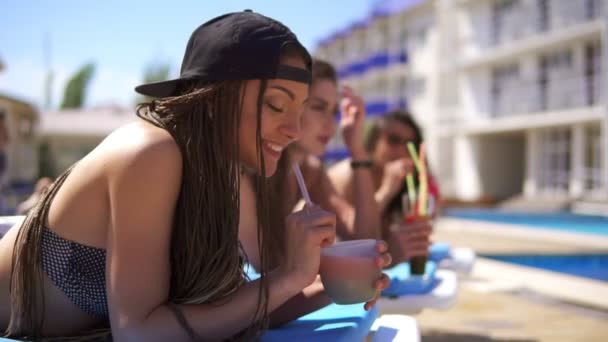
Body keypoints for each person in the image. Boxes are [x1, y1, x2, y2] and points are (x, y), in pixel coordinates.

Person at [0, 11, 338, 341]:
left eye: (300, 110)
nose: (294, 130)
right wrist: (287, 277)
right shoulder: (150, 153)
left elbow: (223, 314)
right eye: (277, 106)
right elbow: (140, 332)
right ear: (213, 99)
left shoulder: (213, 173)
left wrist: (329, 285)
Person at [238, 59, 391, 325]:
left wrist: (357, 149)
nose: (331, 126)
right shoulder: (245, 172)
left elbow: (365, 240)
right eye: (319, 107)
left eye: (334, 112)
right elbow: (263, 282)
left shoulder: (308, 170)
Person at [329, 110, 437, 265]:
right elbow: (347, 238)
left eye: (409, 145)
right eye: (393, 140)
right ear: (374, 141)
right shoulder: (348, 174)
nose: (401, 150)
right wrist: (386, 191)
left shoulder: (407, 183)